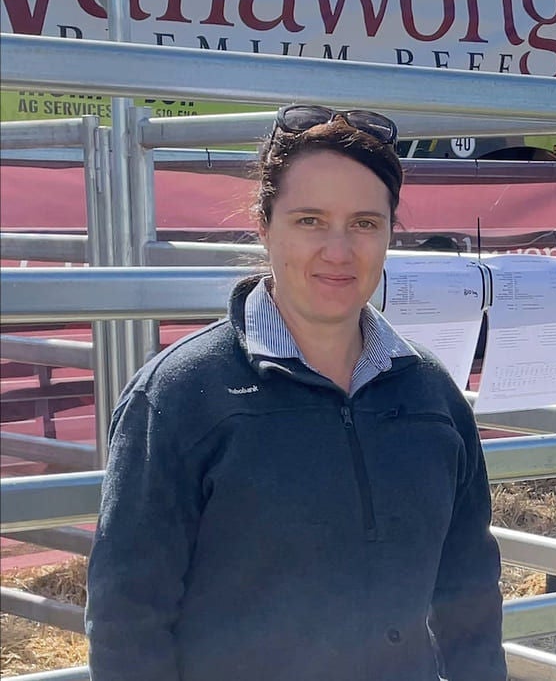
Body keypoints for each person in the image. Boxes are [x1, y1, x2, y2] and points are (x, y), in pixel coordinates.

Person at [86, 104, 507, 681]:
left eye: (365, 223)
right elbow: (126, 621)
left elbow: (471, 596)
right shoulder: (181, 397)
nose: (339, 251)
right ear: (264, 224)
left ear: (390, 232)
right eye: (309, 220)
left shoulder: (432, 398)